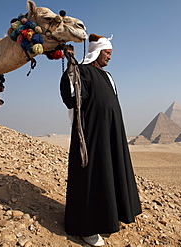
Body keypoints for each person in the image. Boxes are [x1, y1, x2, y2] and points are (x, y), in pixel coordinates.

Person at [60, 34, 142, 246]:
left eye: (111, 54)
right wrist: (71, 65)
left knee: (110, 173)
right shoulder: (83, 72)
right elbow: (71, 97)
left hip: (110, 134)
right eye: (107, 53)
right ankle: (87, 228)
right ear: (97, 52)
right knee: (92, 176)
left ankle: (109, 217)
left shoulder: (108, 76)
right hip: (92, 136)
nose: (110, 57)